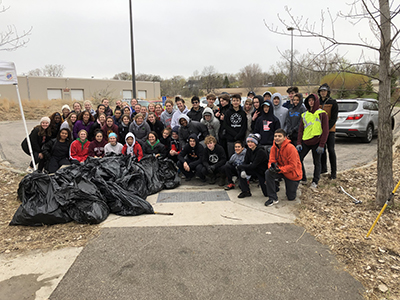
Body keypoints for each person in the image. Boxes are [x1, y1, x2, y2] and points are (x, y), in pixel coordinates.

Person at [296, 93, 329, 189]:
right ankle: (303, 178)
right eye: (309, 100)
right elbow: (301, 130)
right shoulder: (304, 115)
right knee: (298, 159)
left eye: (313, 100)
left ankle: (315, 181)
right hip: (305, 141)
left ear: (316, 101)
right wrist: (298, 143)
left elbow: (325, 130)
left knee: (317, 162)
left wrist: (322, 145)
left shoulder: (322, 114)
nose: (311, 102)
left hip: (317, 142)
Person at [264, 129, 302, 206]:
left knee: (291, 197)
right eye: (275, 136)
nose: (277, 138)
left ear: (285, 138)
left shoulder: (291, 148)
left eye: (279, 136)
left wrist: (280, 169)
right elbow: (271, 160)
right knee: (268, 173)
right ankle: (273, 198)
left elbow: (293, 166)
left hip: (292, 174)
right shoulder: (274, 147)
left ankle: (292, 187)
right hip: (281, 170)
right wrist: (271, 167)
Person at [236, 133, 268, 198]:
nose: (250, 144)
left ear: (255, 143)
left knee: (266, 194)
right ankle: (246, 191)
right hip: (254, 169)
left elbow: (254, 165)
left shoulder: (261, 151)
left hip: (262, 171)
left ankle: (274, 187)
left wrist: (241, 167)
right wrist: (242, 170)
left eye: (252, 142)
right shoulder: (249, 150)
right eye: (248, 142)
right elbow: (245, 162)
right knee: (240, 170)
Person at [318, 83, 338, 180]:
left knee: (331, 150)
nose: (323, 93)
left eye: (324, 91)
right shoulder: (317, 102)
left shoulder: (333, 102)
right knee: (321, 150)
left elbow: (334, 118)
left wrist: (327, 128)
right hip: (319, 130)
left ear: (328, 92)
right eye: (321, 91)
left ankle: (334, 172)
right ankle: (323, 168)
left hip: (330, 130)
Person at [223, 94, 247, 158]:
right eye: (234, 100)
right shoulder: (228, 112)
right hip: (230, 139)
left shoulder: (243, 113)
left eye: (237, 100)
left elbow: (244, 126)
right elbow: (226, 125)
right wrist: (234, 134)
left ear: (240, 102)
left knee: (241, 157)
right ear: (231, 102)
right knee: (231, 157)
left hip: (240, 139)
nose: (235, 102)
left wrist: (239, 135)